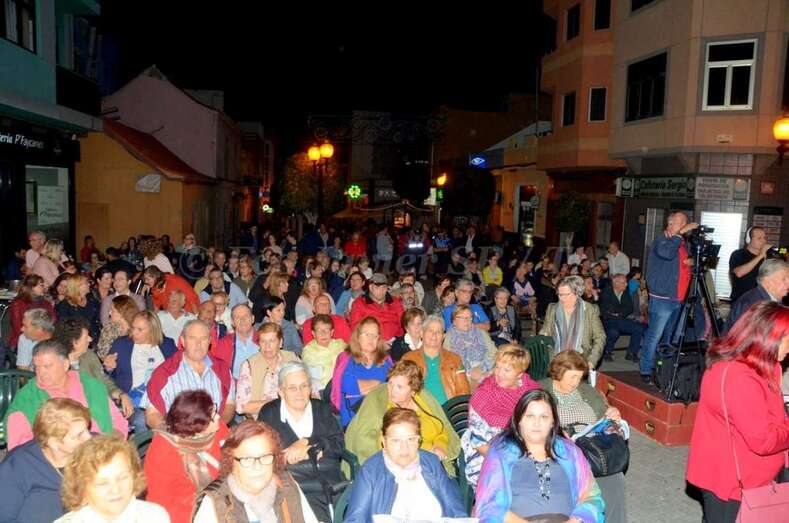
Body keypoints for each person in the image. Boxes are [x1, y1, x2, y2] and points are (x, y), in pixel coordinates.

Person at [687, 302, 789, 522]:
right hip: (733, 482)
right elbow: (764, 440)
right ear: (770, 339)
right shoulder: (741, 379)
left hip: (743, 474)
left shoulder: (756, 366)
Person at [474, 389, 605, 523]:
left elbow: (592, 498)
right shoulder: (501, 452)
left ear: (553, 422)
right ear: (519, 420)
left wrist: (575, 521)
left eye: (544, 417)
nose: (537, 423)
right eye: (530, 416)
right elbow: (489, 505)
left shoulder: (570, 452)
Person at [541, 350, 627, 523]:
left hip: (591, 443)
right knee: (584, 475)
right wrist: (556, 433)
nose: (576, 382)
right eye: (572, 377)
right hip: (562, 447)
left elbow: (603, 411)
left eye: (579, 378)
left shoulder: (587, 390)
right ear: (559, 371)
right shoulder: (540, 390)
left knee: (614, 476)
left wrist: (611, 412)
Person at [258, 362, 345, 523]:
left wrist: (309, 444)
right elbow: (262, 455)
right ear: (281, 391)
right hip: (291, 486)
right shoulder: (269, 414)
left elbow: (338, 445)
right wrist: (285, 457)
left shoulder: (322, 409)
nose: (299, 393)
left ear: (310, 388)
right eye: (292, 388)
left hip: (327, 483)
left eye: (304, 386)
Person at [344, 408, 466, 522]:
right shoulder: (370, 471)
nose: (404, 448)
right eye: (396, 440)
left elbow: (456, 511)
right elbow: (355, 519)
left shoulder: (432, 463)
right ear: (383, 441)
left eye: (411, 439)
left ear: (419, 440)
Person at [5, 339, 128, 450]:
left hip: (101, 450)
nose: (40, 372)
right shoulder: (28, 397)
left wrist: (108, 445)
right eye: (37, 367)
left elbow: (117, 421)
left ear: (65, 365)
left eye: (47, 366)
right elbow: (20, 445)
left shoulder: (89, 385)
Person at [193, 420, 319, 523]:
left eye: (265, 457)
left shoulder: (287, 486)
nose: (258, 466)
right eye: (247, 459)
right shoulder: (215, 503)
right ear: (231, 463)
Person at [345, 359, 461, 471]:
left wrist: (440, 446)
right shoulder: (381, 407)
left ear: (413, 391)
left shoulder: (424, 399)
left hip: (433, 462)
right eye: (390, 383)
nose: (392, 390)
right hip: (400, 467)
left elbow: (442, 430)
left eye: (399, 387)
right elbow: (371, 443)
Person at [0, 398, 92, 523]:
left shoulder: (94, 451)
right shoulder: (16, 467)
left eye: (87, 429)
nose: (89, 437)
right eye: (79, 435)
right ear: (54, 443)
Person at [461, 344, 540, 486]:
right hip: (489, 455)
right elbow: (479, 443)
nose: (499, 374)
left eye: (506, 370)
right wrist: (510, 462)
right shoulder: (483, 395)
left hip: (526, 452)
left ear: (520, 374)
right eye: (497, 367)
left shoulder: (532, 392)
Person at [145, 390, 229, 523]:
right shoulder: (163, 449)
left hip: (221, 497)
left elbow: (233, 460)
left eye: (215, 410)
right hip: (184, 511)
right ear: (196, 427)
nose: (218, 416)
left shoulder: (218, 429)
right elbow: (159, 501)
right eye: (213, 416)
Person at [141, 320, 235, 430]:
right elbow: (152, 415)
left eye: (203, 338)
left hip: (215, 433)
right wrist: (172, 434)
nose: (198, 344)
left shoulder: (222, 369)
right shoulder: (163, 373)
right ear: (183, 341)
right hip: (177, 435)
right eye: (192, 338)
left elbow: (229, 405)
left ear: (210, 340)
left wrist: (217, 427)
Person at [640, 211, 698, 384]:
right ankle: (646, 370)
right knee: (654, 336)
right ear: (670, 224)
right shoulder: (662, 240)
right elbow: (666, 253)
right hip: (662, 298)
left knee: (670, 338)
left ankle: (663, 370)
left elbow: (679, 266)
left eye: (684, 224)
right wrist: (681, 234)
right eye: (680, 223)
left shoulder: (682, 244)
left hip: (678, 298)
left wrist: (690, 262)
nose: (683, 227)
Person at [55, 435, 170, 522]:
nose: (116, 490)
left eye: (122, 478)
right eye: (102, 483)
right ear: (81, 489)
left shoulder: (154, 516)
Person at [106, 310, 178, 433]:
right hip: (133, 399)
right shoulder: (121, 345)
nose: (134, 333)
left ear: (152, 330)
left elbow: (179, 370)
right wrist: (109, 368)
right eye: (133, 328)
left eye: (140, 330)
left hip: (163, 396)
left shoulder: (167, 345)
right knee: (142, 420)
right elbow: (107, 378)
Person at [53, 316, 133, 419]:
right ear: (74, 342)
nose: (90, 339)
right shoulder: (56, 365)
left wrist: (121, 394)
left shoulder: (89, 356)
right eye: (86, 337)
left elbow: (103, 382)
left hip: (98, 408)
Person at [335, 317, 394, 427]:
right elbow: (349, 386)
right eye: (367, 334)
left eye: (374, 335)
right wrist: (380, 384)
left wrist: (365, 388)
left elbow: (393, 388)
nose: (371, 339)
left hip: (383, 415)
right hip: (355, 419)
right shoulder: (346, 358)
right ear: (357, 336)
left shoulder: (386, 360)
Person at [540, 275, 606, 369]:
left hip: (580, 358)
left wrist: (592, 360)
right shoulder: (552, 308)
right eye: (559, 294)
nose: (561, 298)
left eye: (566, 295)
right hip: (556, 357)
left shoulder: (590, 309)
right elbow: (545, 331)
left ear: (577, 293)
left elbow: (600, 336)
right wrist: (542, 337)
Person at [401, 314, 469, 405]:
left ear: (443, 336)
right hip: (418, 410)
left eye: (438, 331)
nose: (434, 334)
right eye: (430, 330)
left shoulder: (455, 359)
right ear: (422, 333)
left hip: (448, 410)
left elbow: (463, 392)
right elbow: (401, 391)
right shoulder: (408, 358)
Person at [235, 323, 300, 418]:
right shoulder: (249, 365)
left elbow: (310, 391)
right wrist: (277, 403)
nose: (267, 346)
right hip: (262, 419)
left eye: (271, 341)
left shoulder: (293, 359)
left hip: (293, 416)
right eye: (263, 341)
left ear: (280, 343)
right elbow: (241, 406)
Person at [726, 258, 789, 330]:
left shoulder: (772, 300)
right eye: (784, 279)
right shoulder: (754, 305)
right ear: (767, 281)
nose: (788, 284)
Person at [444, 304, 497, 388]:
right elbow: (447, 359)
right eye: (462, 317)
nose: (467, 321)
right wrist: (469, 371)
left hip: (485, 370)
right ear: (454, 321)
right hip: (462, 375)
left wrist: (481, 368)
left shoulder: (481, 332)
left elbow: (493, 352)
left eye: (469, 317)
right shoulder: (449, 336)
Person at [599, 274, 645, 363]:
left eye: (626, 282)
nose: (626, 284)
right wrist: (618, 311)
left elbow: (630, 307)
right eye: (624, 282)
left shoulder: (625, 292)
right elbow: (607, 309)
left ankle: (631, 353)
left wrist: (619, 313)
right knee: (613, 332)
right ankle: (607, 351)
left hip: (621, 318)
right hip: (608, 320)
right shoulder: (606, 292)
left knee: (638, 328)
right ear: (615, 283)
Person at [349, 273, 405, 343]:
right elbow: (355, 328)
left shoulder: (395, 302)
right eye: (377, 287)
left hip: (395, 341)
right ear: (370, 287)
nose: (381, 291)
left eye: (384, 287)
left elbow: (403, 324)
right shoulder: (359, 303)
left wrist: (397, 340)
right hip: (371, 342)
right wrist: (376, 342)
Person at [8, 274, 55, 350]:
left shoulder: (46, 303)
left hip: (43, 339)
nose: (44, 287)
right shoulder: (18, 304)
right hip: (24, 339)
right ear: (32, 287)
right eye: (41, 285)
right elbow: (18, 328)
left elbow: (52, 322)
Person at [212, 304, 259, 380]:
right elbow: (218, 373)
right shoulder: (223, 344)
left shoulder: (264, 341)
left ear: (253, 319)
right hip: (234, 385)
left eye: (246, 316)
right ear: (232, 322)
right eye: (237, 317)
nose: (242, 320)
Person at [301, 314, 347, 392]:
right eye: (319, 330)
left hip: (345, 385)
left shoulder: (341, 345)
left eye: (327, 330)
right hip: (323, 390)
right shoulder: (308, 351)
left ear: (332, 332)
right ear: (313, 333)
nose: (323, 334)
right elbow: (313, 379)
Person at [729, 226, 772, 304]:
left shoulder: (768, 257)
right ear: (748, 240)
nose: (763, 241)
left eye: (764, 238)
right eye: (759, 238)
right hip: (742, 301)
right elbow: (739, 273)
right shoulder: (738, 254)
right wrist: (761, 255)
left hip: (761, 302)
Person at [55, 274, 100, 342]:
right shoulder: (65, 305)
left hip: (95, 338)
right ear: (78, 287)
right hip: (77, 341)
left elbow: (97, 321)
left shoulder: (92, 300)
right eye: (86, 283)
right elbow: (64, 327)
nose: (89, 284)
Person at [96, 294, 141, 360]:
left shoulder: (138, 329)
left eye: (112, 310)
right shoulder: (109, 328)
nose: (109, 313)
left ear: (122, 313)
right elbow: (101, 354)